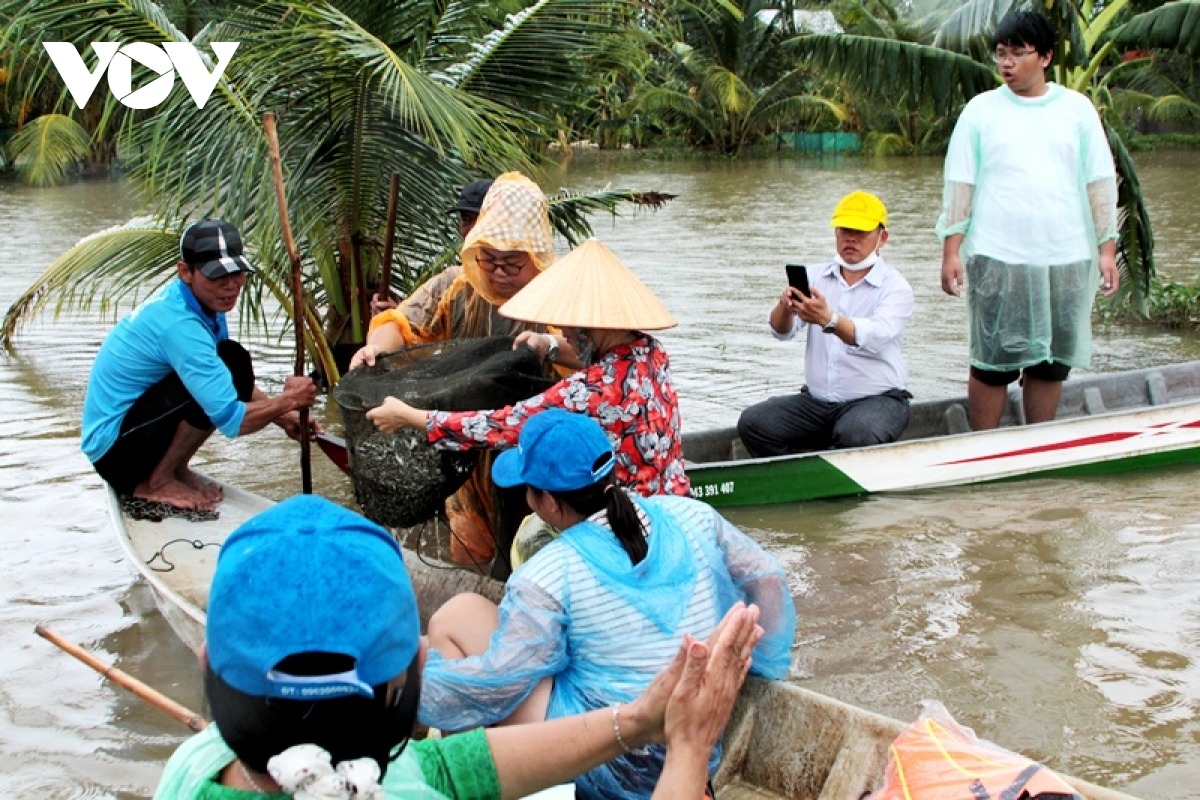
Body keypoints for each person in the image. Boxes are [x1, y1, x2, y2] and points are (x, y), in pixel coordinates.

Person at [153, 494, 766, 800]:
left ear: (209, 662)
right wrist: (688, 745)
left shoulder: (196, 765)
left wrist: (636, 722)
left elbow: (451, 768)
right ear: (419, 665)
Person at [417, 409, 797, 800]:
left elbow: (500, 683)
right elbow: (767, 579)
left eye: (528, 491)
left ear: (547, 502)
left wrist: (414, 686)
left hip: (604, 764)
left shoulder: (546, 572)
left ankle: (466, 782)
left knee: (457, 614)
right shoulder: (693, 514)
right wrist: (753, 668)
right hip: (695, 735)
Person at [366, 237, 692, 500]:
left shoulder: (590, 390)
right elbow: (602, 363)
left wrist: (410, 417)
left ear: (588, 325)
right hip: (678, 503)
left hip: (634, 517)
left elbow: (504, 425)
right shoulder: (651, 352)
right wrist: (547, 344)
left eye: (565, 327)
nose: (562, 333)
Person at [351, 172, 558, 566]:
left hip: (534, 458)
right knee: (472, 557)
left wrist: (548, 346)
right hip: (465, 453)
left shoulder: (560, 297)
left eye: (513, 264)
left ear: (537, 254)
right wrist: (374, 349)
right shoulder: (458, 285)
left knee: (534, 559)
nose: (498, 273)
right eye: (488, 259)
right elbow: (405, 323)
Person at [937, 10, 1120, 430]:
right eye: (1001, 53)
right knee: (992, 360)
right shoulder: (980, 112)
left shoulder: (1076, 110)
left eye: (1019, 52)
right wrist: (952, 251)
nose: (1007, 63)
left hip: (1067, 255)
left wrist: (1106, 250)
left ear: (1046, 57)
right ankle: (984, 446)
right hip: (997, 256)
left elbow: (1099, 181)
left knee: (1051, 362)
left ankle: (1038, 444)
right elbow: (960, 182)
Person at [81, 219, 319, 512]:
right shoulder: (179, 325)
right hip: (116, 455)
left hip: (134, 432)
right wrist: (290, 401)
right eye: (217, 276)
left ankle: (174, 469)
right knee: (228, 365)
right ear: (186, 272)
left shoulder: (203, 304)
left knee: (232, 361)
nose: (231, 286)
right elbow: (233, 420)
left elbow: (225, 379)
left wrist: (284, 417)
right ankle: (157, 481)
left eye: (237, 273)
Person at [737, 191, 914, 458]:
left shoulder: (895, 287)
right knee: (754, 423)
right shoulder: (815, 276)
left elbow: (875, 336)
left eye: (860, 231)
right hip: (817, 403)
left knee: (857, 434)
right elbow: (781, 332)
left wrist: (827, 320)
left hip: (878, 399)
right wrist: (785, 308)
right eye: (844, 231)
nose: (850, 238)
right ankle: (794, 478)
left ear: (882, 238)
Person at [367, 178, 494, 317]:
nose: (472, 230)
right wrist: (396, 319)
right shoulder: (451, 282)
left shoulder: (515, 281)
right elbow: (425, 327)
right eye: (466, 220)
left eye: (480, 219)